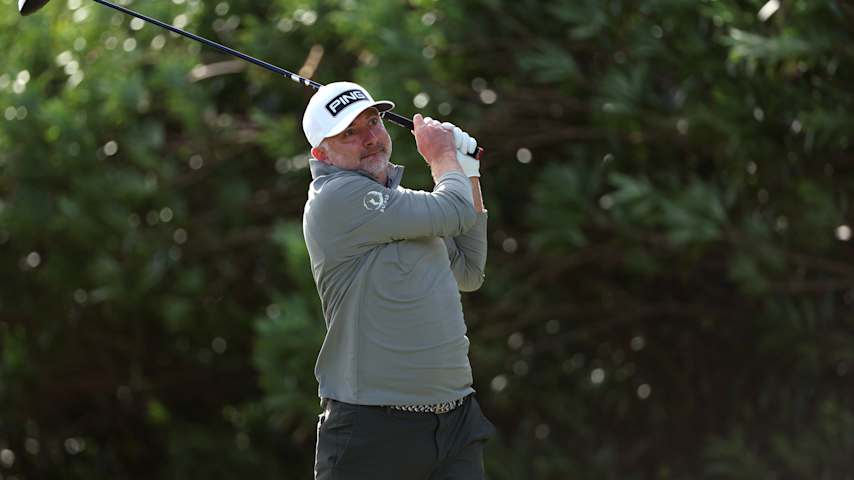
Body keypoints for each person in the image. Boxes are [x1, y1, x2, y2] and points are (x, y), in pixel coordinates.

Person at [301, 81, 496, 480]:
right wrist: (443, 156)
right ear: (322, 154)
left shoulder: (403, 205)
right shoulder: (335, 199)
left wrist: (469, 173)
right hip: (373, 431)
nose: (371, 138)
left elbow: (470, 271)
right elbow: (455, 212)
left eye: (373, 122)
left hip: (455, 422)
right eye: (350, 132)